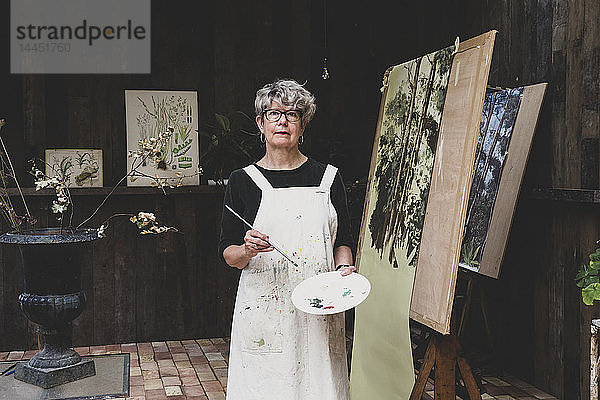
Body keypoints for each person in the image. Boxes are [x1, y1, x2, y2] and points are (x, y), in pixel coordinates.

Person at [219, 79, 356, 400]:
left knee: (320, 387)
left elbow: (343, 241)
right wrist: (247, 248)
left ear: (303, 125)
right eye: (273, 114)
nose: (282, 121)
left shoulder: (329, 178)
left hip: (319, 308)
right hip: (266, 308)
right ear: (260, 123)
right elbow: (229, 254)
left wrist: (344, 269)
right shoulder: (242, 182)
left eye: (292, 115)